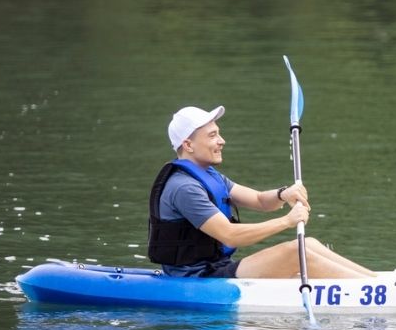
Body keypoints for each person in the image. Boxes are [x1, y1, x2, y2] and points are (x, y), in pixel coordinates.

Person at [148, 105, 375, 279]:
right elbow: (230, 235)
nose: (221, 141)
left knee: (308, 244)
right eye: (212, 135)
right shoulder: (184, 188)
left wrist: (282, 194)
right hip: (197, 278)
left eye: (219, 134)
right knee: (297, 252)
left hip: (217, 267)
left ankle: (374, 280)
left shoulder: (210, 176)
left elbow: (258, 200)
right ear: (188, 145)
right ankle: (375, 290)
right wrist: (287, 221)